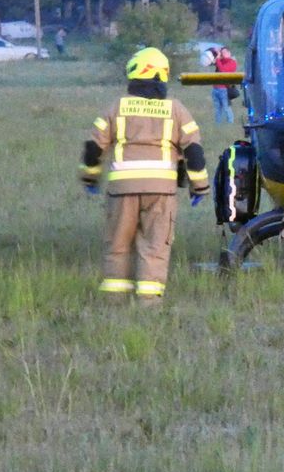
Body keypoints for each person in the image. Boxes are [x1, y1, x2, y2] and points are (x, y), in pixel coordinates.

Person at [79, 47, 209, 303]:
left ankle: (114, 303)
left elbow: (94, 147)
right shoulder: (177, 110)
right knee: (155, 247)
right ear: (163, 76)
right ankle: (149, 304)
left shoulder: (117, 107)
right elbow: (194, 152)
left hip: (121, 190)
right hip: (161, 192)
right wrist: (199, 187)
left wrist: (90, 177)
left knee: (118, 245)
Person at [212, 46, 237, 124]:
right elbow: (212, 62)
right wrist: (216, 53)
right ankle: (217, 124)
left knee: (226, 107)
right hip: (215, 88)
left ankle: (230, 122)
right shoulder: (220, 60)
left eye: (224, 52)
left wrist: (218, 59)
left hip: (224, 88)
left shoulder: (232, 62)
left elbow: (223, 70)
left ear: (229, 53)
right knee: (217, 109)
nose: (223, 54)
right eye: (222, 53)